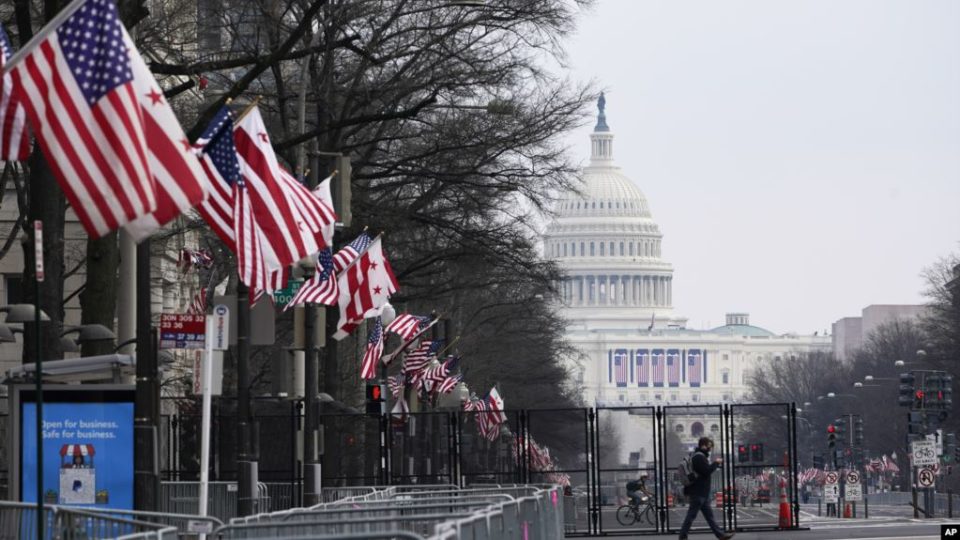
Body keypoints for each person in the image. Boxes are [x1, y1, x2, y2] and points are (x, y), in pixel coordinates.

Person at [679, 437, 734, 540]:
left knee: (709, 517)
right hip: (698, 492)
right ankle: (682, 536)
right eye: (709, 446)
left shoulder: (699, 456)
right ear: (703, 445)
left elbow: (705, 471)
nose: (710, 448)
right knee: (691, 516)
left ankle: (720, 535)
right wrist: (716, 463)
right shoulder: (698, 457)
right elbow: (706, 471)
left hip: (702, 493)